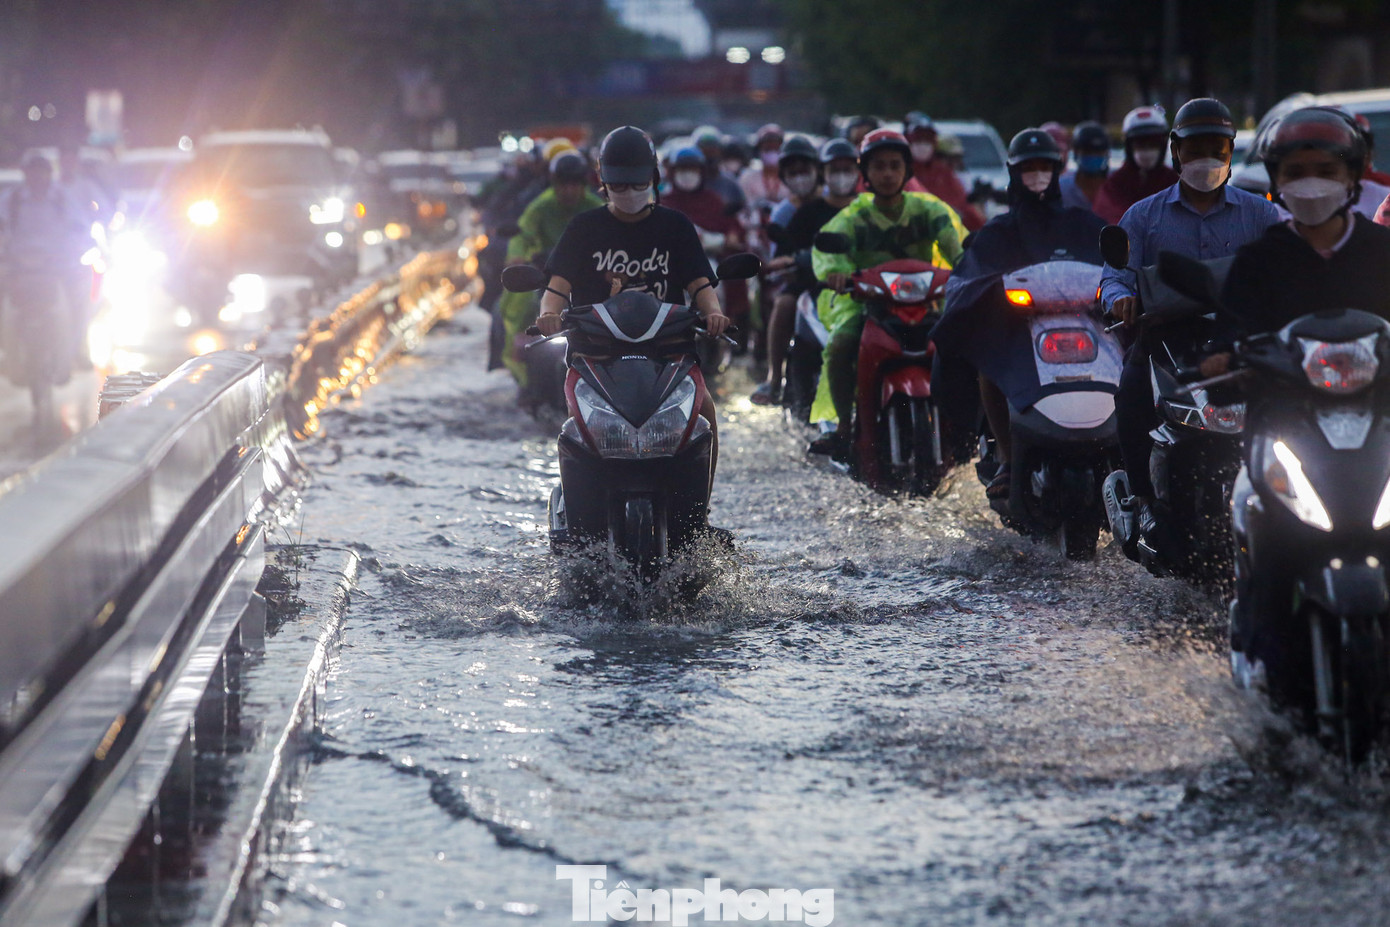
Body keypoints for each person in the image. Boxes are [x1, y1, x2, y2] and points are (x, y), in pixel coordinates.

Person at [1197, 106, 1390, 691]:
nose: (1311, 181)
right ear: (1276, 180)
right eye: (1296, 169)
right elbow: (1229, 332)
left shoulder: (1382, 250)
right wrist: (1222, 358)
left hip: (1378, 422)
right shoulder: (1261, 258)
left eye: (1324, 168)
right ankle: (1260, 644)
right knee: (1264, 524)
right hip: (1286, 423)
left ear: (1352, 175)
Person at [1098, 98, 1281, 540]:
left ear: (1231, 151)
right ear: (1175, 151)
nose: (1205, 158)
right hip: (1164, 340)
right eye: (1194, 148)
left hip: (1240, 340)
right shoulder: (1142, 217)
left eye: (1215, 147)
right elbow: (1114, 277)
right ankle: (1142, 500)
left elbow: (1289, 268)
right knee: (1130, 397)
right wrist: (1121, 299)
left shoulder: (1261, 214)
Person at [536, 126, 732, 487]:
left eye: (638, 184)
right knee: (576, 425)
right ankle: (580, 504)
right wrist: (548, 314)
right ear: (603, 182)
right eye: (620, 186)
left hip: (668, 355)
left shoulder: (676, 226)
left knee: (703, 410)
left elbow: (699, 282)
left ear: (654, 179)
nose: (629, 193)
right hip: (596, 356)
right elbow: (557, 285)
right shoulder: (583, 228)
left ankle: (700, 511)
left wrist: (714, 313)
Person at [929, 128, 1108, 496]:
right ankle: (1009, 459)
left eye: (1045, 166)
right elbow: (971, 279)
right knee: (988, 362)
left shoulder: (1083, 223)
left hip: (1088, 332)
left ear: (1057, 170)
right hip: (1018, 335)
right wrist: (993, 296)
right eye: (1029, 168)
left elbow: (1117, 265)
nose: (1038, 175)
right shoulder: (997, 231)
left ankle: (1126, 458)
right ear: (1014, 171)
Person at [806, 129, 966, 457]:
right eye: (879, 166)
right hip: (868, 307)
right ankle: (846, 428)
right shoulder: (852, 217)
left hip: (927, 303)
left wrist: (968, 264)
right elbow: (828, 250)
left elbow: (955, 245)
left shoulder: (929, 210)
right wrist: (834, 273)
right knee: (840, 344)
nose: (888, 174)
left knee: (966, 341)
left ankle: (967, 427)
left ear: (907, 170)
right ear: (865, 173)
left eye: (895, 165)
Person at [753, 137, 857, 406]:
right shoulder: (798, 212)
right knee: (785, 303)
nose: (841, 176)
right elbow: (783, 254)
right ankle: (775, 378)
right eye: (835, 169)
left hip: (857, 285)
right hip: (810, 283)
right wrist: (788, 263)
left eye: (847, 169)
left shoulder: (864, 210)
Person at [498, 151, 603, 391]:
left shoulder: (595, 208)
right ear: (554, 184)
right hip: (548, 283)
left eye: (574, 184)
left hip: (589, 286)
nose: (568, 190)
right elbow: (522, 235)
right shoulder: (540, 207)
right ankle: (526, 378)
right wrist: (516, 255)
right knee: (521, 308)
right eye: (563, 184)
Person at [0, 152, 92, 373]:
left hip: (57, 267)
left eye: (42, 174)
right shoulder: (11, 199)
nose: (37, 179)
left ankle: (76, 350)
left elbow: (81, 228)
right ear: (26, 175)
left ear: (50, 176)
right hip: (19, 268)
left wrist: (73, 251)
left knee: (78, 298)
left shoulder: (63, 198)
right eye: (33, 174)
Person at [1093, 106, 1180, 224]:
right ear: (1129, 147)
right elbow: (1109, 217)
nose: (1147, 151)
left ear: (1163, 146)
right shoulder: (1115, 184)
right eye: (1140, 145)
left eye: (1153, 145)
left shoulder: (1174, 182)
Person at [905, 112, 985, 231]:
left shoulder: (943, 172)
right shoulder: (900, 171)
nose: (923, 145)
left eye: (927, 140)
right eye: (918, 139)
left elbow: (963, 206)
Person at [1058, 121, 1111, 212]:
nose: (1093, 156)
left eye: (1098, 152)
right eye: (1087, 151)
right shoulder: (1061, 188)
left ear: (1106, 153)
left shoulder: (1116, 186)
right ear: (1075, 152)